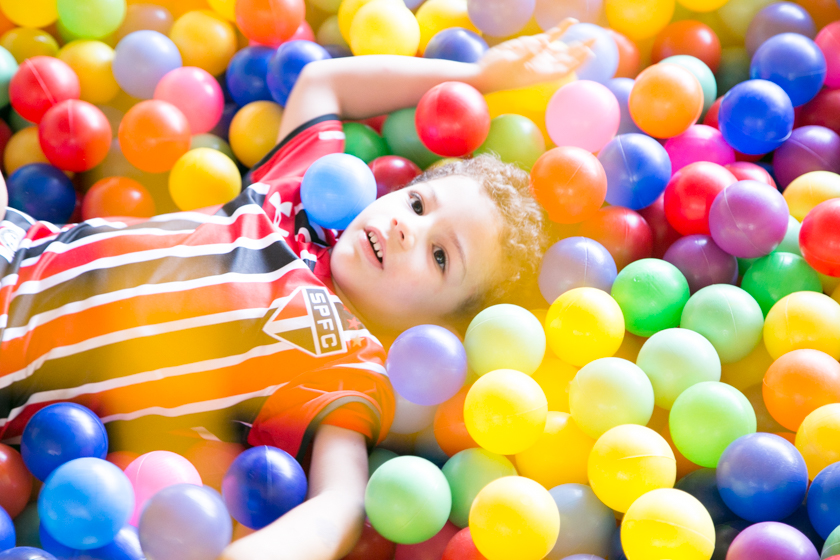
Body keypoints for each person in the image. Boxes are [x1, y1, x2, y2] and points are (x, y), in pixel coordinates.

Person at [0, 20, 590, 560]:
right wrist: (480, 76)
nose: (409, 227)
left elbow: (341, 503)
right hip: (16, 240)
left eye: (440, 256)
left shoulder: (349, 366)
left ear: (437, 327)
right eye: (417, 201)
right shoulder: (303, 195)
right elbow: (321, 81)